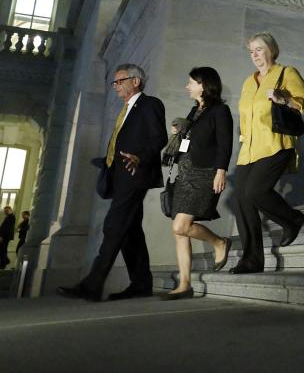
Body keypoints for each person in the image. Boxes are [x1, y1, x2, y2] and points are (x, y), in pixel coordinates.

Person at [58, 63, 167, 302]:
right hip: (119, 175)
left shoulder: (150, 104)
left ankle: (92, 285)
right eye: (114, 82)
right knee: (130, 232)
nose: (115, 86)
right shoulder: (125, 110)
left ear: (135, 81)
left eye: (119, 81)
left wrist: (141, 157)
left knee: (113, 226)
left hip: (134, 175)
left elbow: (159, 138)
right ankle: (141, 284)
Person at [233, 32, 304, 274]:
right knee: (241, 200)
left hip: (277, 142)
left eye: (259, 49)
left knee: (255, 191)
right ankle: (251, 260)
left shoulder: (286, 73)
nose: (255, 55)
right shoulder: (249, 82)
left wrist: (284, 99)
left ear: (271, 50)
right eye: (251, 51)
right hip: (249, 148)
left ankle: (292, 219)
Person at [165, 67, 234, 300]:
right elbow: (191, 142)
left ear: (203, 85)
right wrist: (181, 132)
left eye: (191, 82)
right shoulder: (195, 111)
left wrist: (221, 171)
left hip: (203, 174)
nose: (187, 86)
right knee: (179, 232)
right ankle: (185, 284)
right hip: (184, 174)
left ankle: (219, 242)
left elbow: (225, 144)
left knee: (180, 226)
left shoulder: (220, 111)